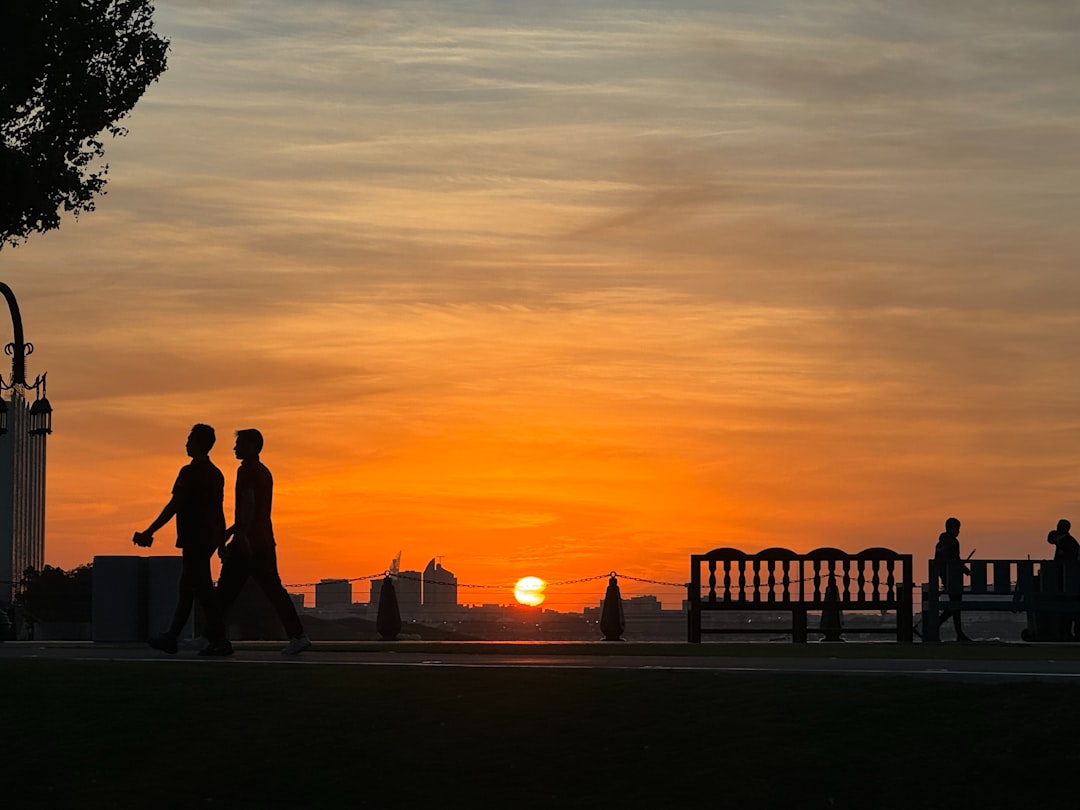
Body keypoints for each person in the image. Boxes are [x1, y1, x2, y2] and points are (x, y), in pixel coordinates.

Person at [134, 424, 232, 656]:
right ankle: (172, 636)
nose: (186, 444)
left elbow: (175, 505)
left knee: (203, 590)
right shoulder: (216, 474)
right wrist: (220, 543)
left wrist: (150, 531)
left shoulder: (189, 472)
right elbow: (219, 511)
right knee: (188, 589)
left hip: (194, 538)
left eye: (189, 440)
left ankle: (220, 640)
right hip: (207, 539)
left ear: (197, 443)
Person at [215, 428, 311, 655]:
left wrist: (239, 536)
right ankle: (297, 635)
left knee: (225, 592)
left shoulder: (246, 471)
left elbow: (248, 506)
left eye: (239, 444)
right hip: (263, 540)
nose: (234, 448)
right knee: (273, 590)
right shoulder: (264, 471)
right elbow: (256, 509)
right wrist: (233, 531)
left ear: (250, 446)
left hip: (249, 543)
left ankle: (211, 637)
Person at [934, 517, 971, 642]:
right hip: (954, 578)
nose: (959, 531)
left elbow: (939, 561)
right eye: (958, 528)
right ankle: (939, 625)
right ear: (952, 528)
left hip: (945, 577)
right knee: (955, 605)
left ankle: (957, 632)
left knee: (954, 605)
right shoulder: (953, 542)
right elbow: (955, 560)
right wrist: (966, 571)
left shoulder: (940, 543)